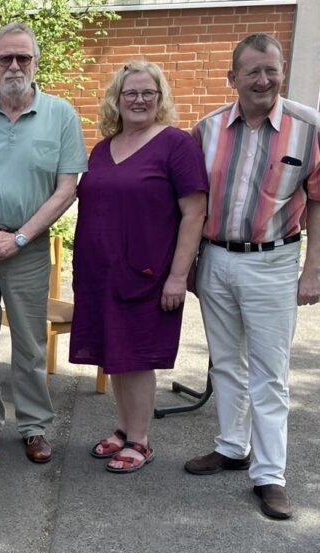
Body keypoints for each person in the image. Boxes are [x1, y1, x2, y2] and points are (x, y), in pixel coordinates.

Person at [184, 33, 320, 519]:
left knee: (270, 373)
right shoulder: (206, 130)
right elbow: (194, 205)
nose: (264, 80)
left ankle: (270, 475)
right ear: (233, 78)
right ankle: (232, 446)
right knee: (226, 362)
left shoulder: (308, 127)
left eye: (272, 69)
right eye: (253, 71)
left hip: (274, 262)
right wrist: (190, 264)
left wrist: (313, 270)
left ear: (282, 71)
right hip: (216, 258)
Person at [0, 22, 88, 463]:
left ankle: (33, 426)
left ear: (35, 63)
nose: (13, 66)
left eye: (22, 58)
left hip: (28, 248)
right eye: (5, 58)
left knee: (29, 342)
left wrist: (20, 237)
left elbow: (67, 189)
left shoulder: (60, 115)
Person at [70, 61, 208, 473]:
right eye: (130, 93)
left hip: (147, 274)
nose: (139, 100)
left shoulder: (176, 145)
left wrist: (178, 276)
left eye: (149, 92)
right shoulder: (103, 148)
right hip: (100, 273)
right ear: (117, 99)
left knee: (137, 357)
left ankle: (140, 440)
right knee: (115, 352)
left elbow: (194, 213)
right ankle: (123, 428)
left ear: (160, 98)